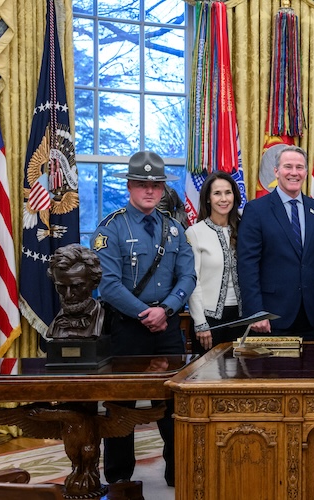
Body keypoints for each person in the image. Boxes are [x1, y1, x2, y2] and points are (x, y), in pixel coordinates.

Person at [91, 150, 196, 487]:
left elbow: (188, 277)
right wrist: (144, 313)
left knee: (173, 403)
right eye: (141, 184)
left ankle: (177, 472)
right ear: (129, 186)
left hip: (168, 328)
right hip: (127, 328)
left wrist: (165, 310)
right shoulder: (111, 228)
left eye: (156, 185)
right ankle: (119, 479)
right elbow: (108, 285)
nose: (149, 190)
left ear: (163, 187)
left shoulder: (175, 229)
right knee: (121, 404)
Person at [238, 145, 314, 339]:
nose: (294, 172)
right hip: (271, 316)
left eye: (299, 167)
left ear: (306, 172)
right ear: (276, 171)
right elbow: (247, 265)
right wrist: (255, 311)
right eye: (288, 167)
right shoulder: (256, 210)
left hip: (312, 315)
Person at [185, 171, 243, 354]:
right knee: (208, 371)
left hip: (243, 318)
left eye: (228, 192)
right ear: (208, 198)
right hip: (209, 321)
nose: (223, 199)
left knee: (242, 370)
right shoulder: (195, 232)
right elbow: (192, 280)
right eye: (217, 193)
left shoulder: (245, 228)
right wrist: (200, 322)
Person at [46, 244, 105, 340]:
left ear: (95, 283)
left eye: (77, 286)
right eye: (61, 287)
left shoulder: (106, 321)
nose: (68, 295)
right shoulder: (56, 325)